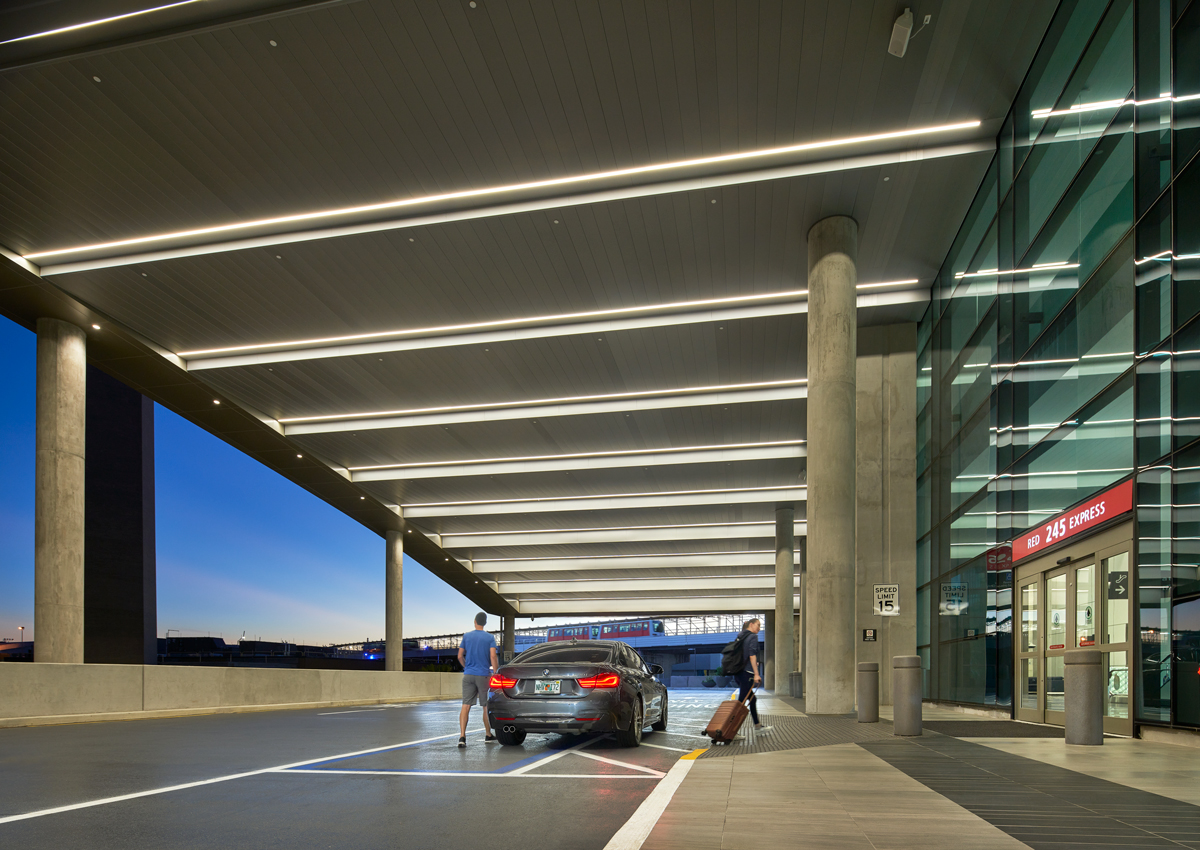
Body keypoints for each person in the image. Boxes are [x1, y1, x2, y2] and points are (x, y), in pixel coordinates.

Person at [457, 612, 499, 748]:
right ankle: (488, 734)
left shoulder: (466, 636)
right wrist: (496, 672)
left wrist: (466, 667)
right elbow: (493, 657)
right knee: (485, 707)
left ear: (475, 621)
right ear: (485, 622)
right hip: (484, 675)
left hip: (468, 675)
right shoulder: (489, 638)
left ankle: (462, 737)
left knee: (465, 706)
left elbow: (459, 656)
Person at [735, 618, 771, 733]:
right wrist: (756, 673)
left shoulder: (740, 636)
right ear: (751, 624)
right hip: (747, 674)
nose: (759, 628)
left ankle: (757, 725)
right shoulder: (752, 637)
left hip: (738, 673)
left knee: (752, 699)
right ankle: (731, 730)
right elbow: (752, 655)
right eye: (758, 625)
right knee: (740, 703)